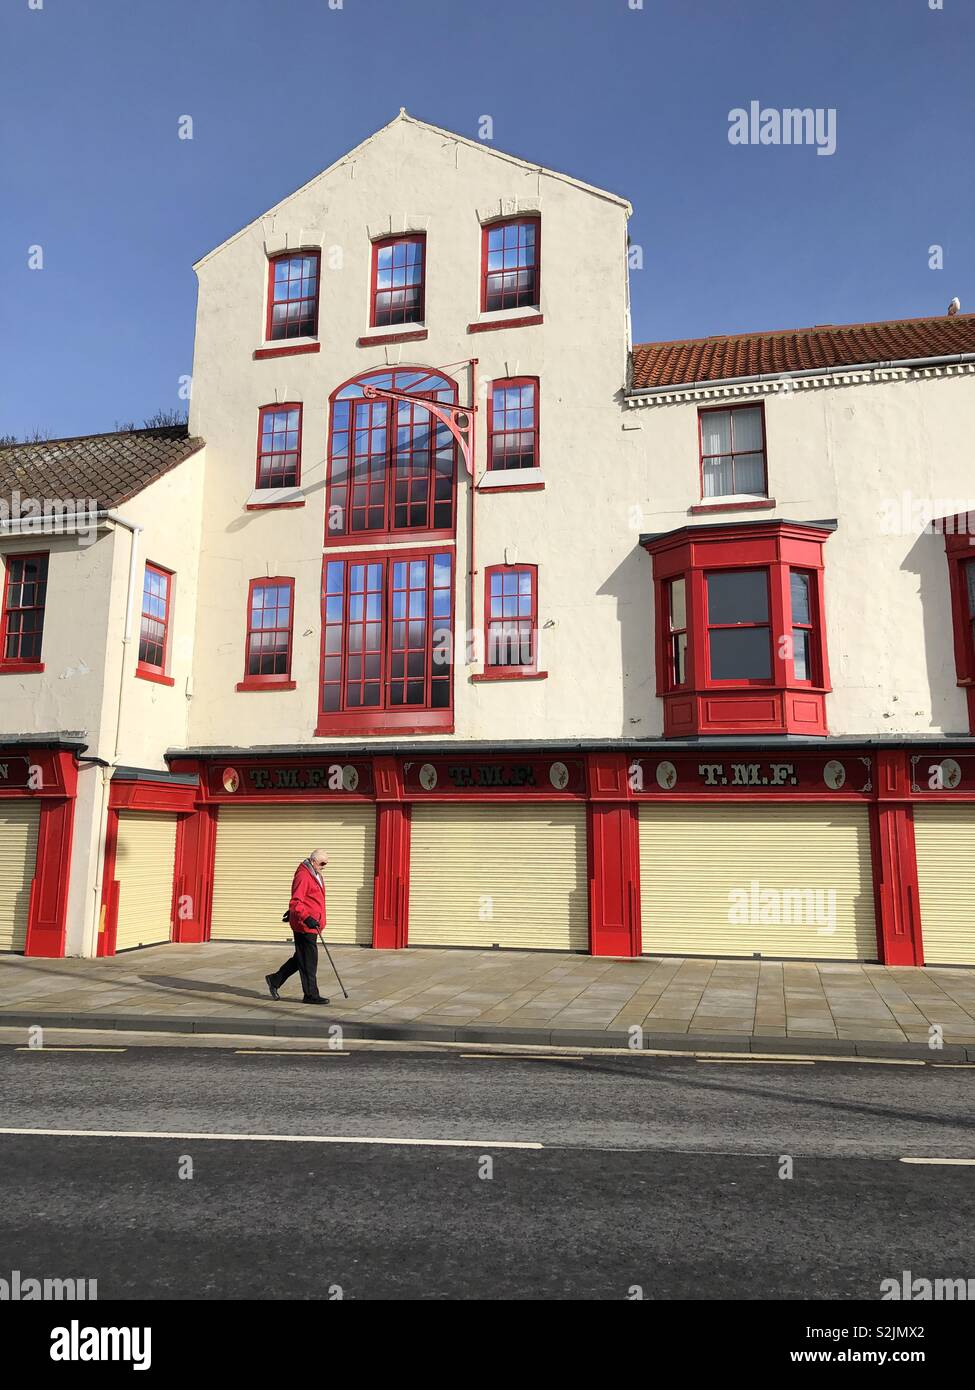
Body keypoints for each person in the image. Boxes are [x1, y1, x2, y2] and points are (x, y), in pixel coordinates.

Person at [265, 848, 330, 1005]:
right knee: (309, 960)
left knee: (301, 957)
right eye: (322, 863)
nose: (324, 866)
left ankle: (275, 979)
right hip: (305, 925)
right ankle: (310, 995)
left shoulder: (315, 873)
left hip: (312, 924)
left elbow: (307, 898)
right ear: (313, 861)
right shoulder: (303, 875)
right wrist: (306, 917)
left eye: (326, 864)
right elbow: (296, 901)